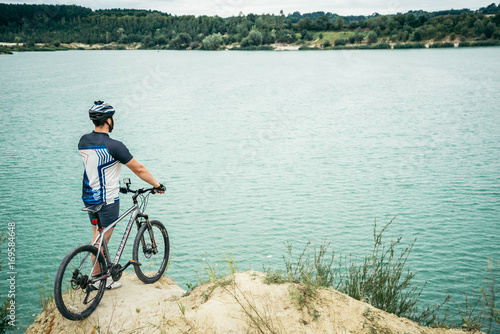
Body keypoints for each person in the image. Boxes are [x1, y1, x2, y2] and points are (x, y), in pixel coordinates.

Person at [78, 100, 165, 289]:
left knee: (97, 237)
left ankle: (98, 275)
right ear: (108, 121)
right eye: (112, 118)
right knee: (104, 239)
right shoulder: (114, 146)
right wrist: (157, 185)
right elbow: (139, 169)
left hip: (89, 197)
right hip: (107, 200)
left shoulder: (83, 141)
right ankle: (98, 280)